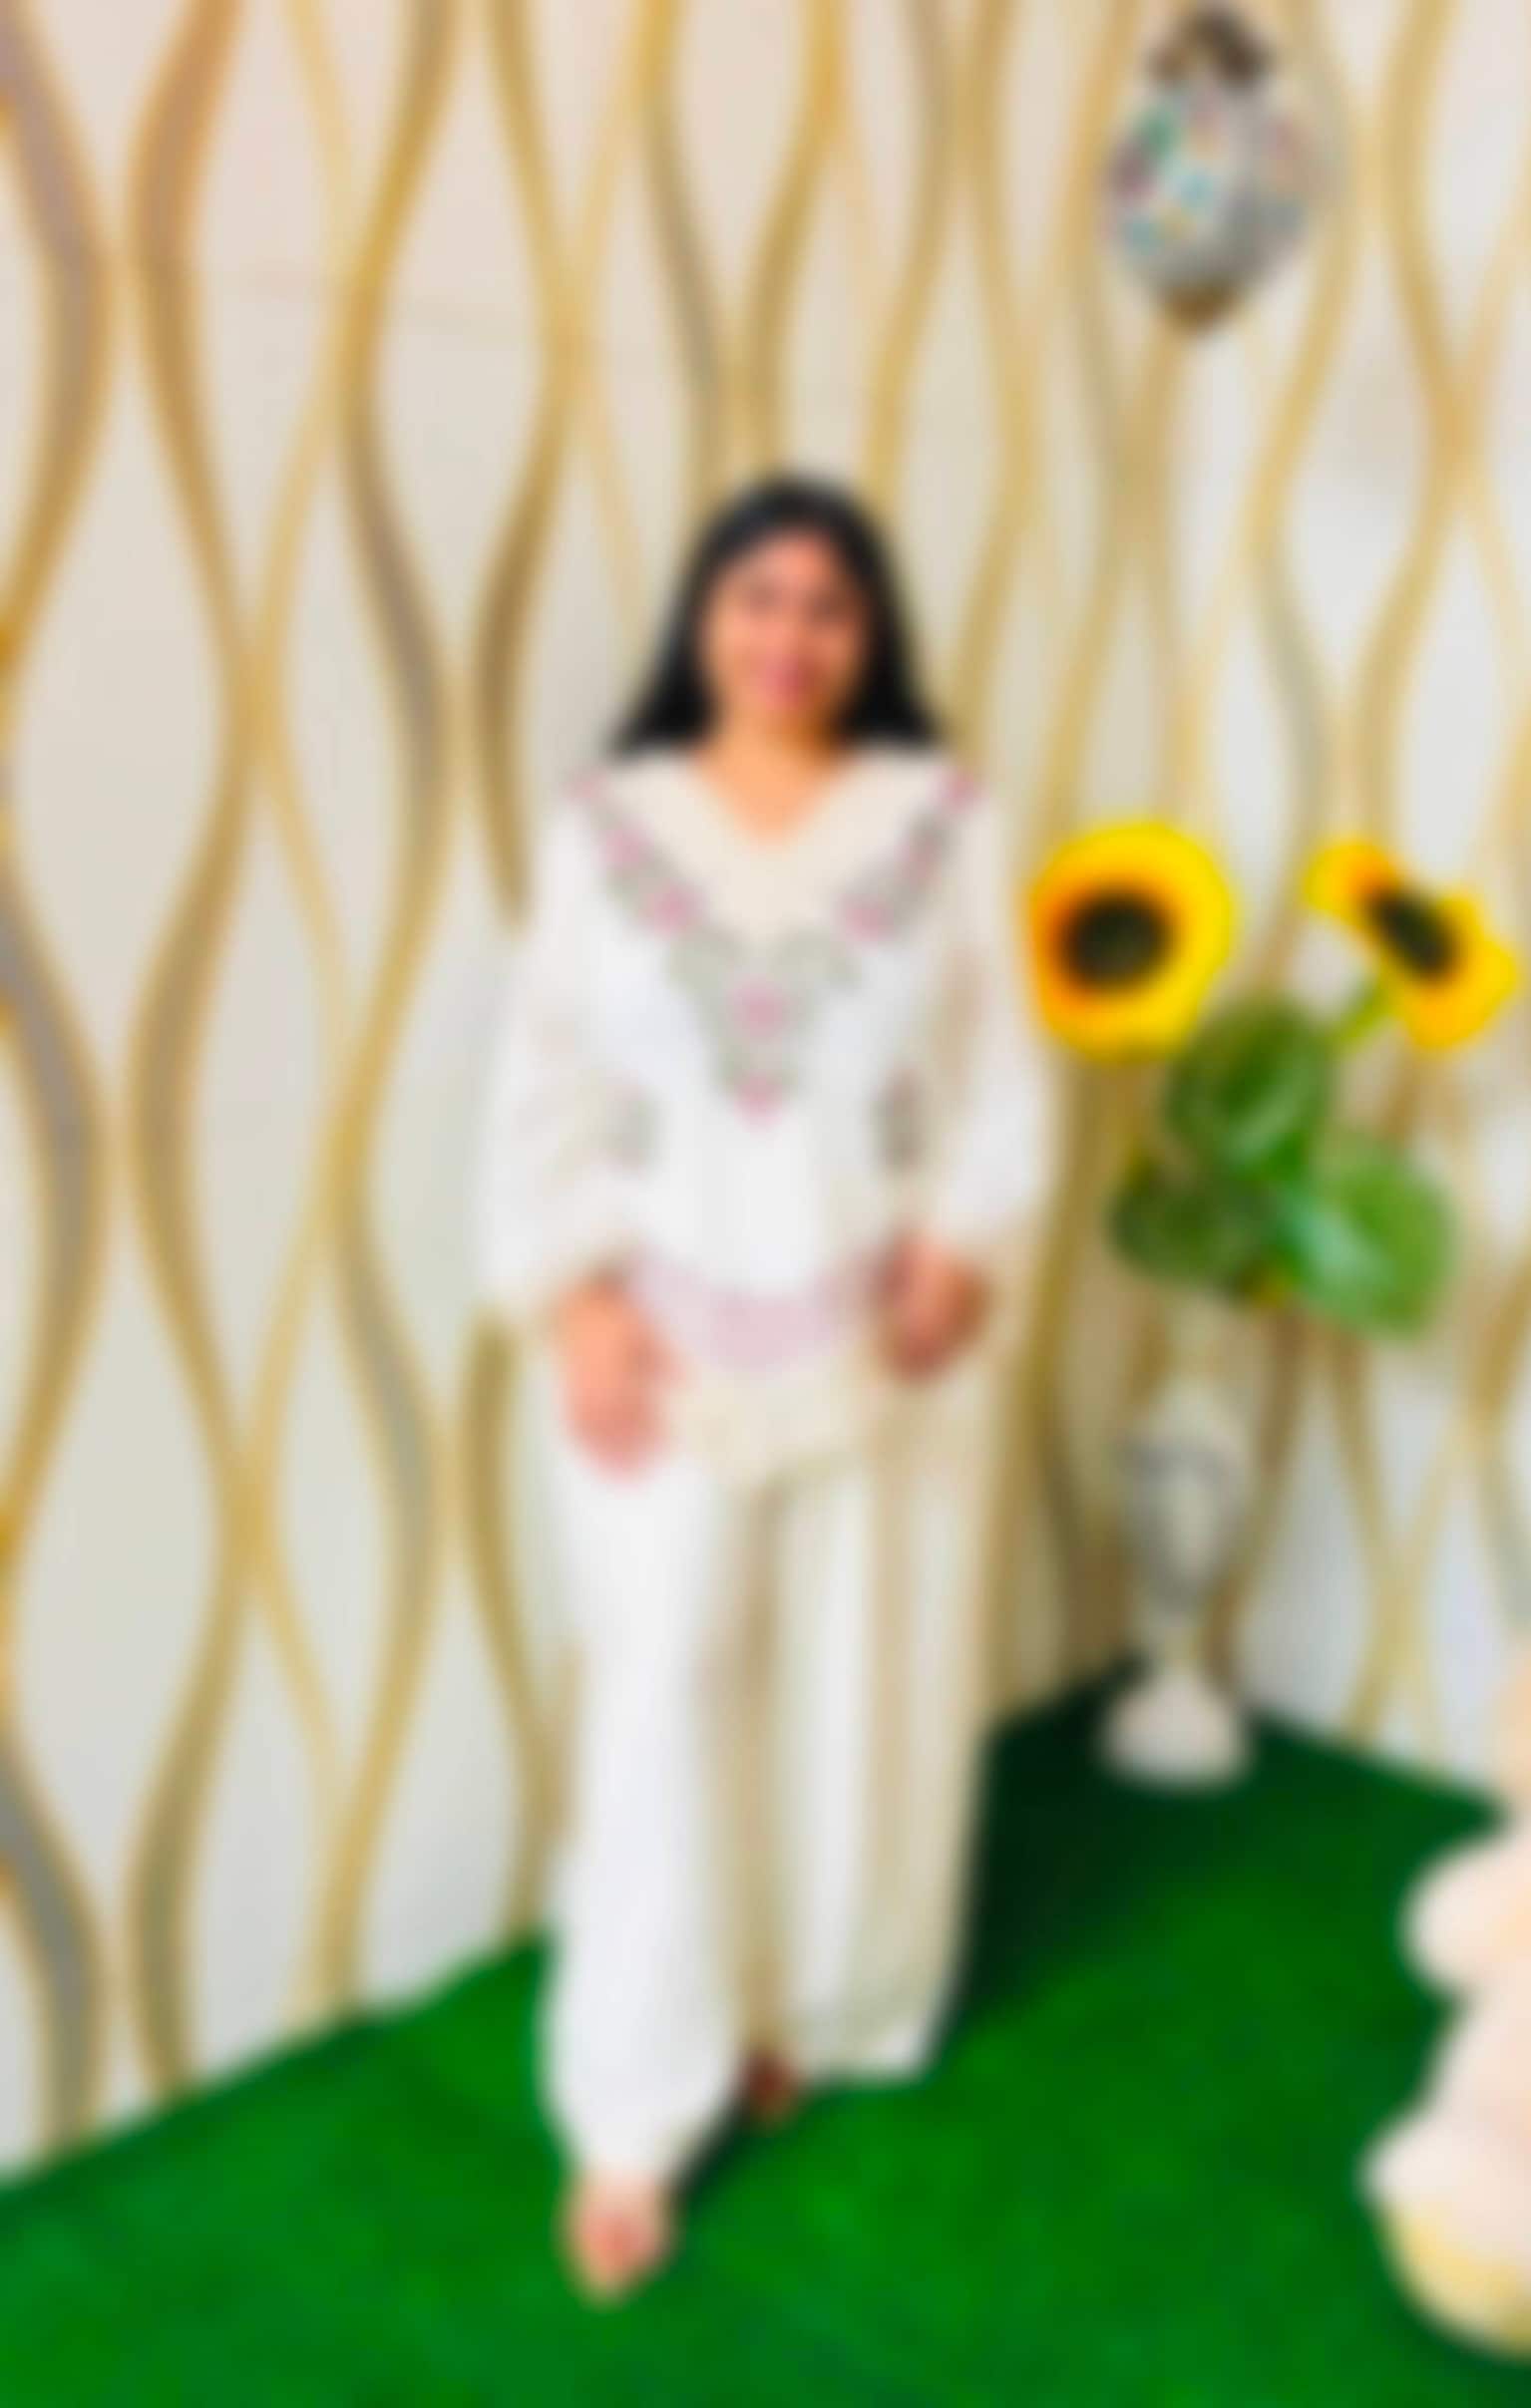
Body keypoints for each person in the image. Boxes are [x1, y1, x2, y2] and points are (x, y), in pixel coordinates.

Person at [480, 476, 1054, 2296]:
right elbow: (542, 1076)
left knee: (856, 1676)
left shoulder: (942, 818)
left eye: (827, 606)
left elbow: (1003, 1065)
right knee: (660, 1689)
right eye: (757, 598)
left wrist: (968, 1241)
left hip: (886, 1327)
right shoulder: (608, 825)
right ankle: (631, 2108)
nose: (789, 636)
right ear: (702, 617)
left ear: (869, 635)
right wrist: (569, 1294)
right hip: (656, 1335)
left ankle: (801, 2002)